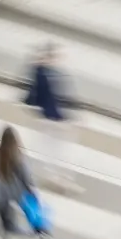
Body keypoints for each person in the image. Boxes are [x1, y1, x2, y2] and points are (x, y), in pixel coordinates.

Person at [0, 126, 70, 239]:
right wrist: (38, 197)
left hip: (3, 196)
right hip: (20, 196)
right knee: (37, 219)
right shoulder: (18, 158)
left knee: (6, 226)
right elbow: (28, 182)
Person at [24, 43, 80, 193]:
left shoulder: (45, 72)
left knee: (51, 147)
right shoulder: (42, 74)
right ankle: (57, 178)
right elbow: (45, 98)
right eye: (51, 57)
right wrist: (62, 119)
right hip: (51, 118)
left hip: (51, 118)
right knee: (55, 148)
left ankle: (56, 176)